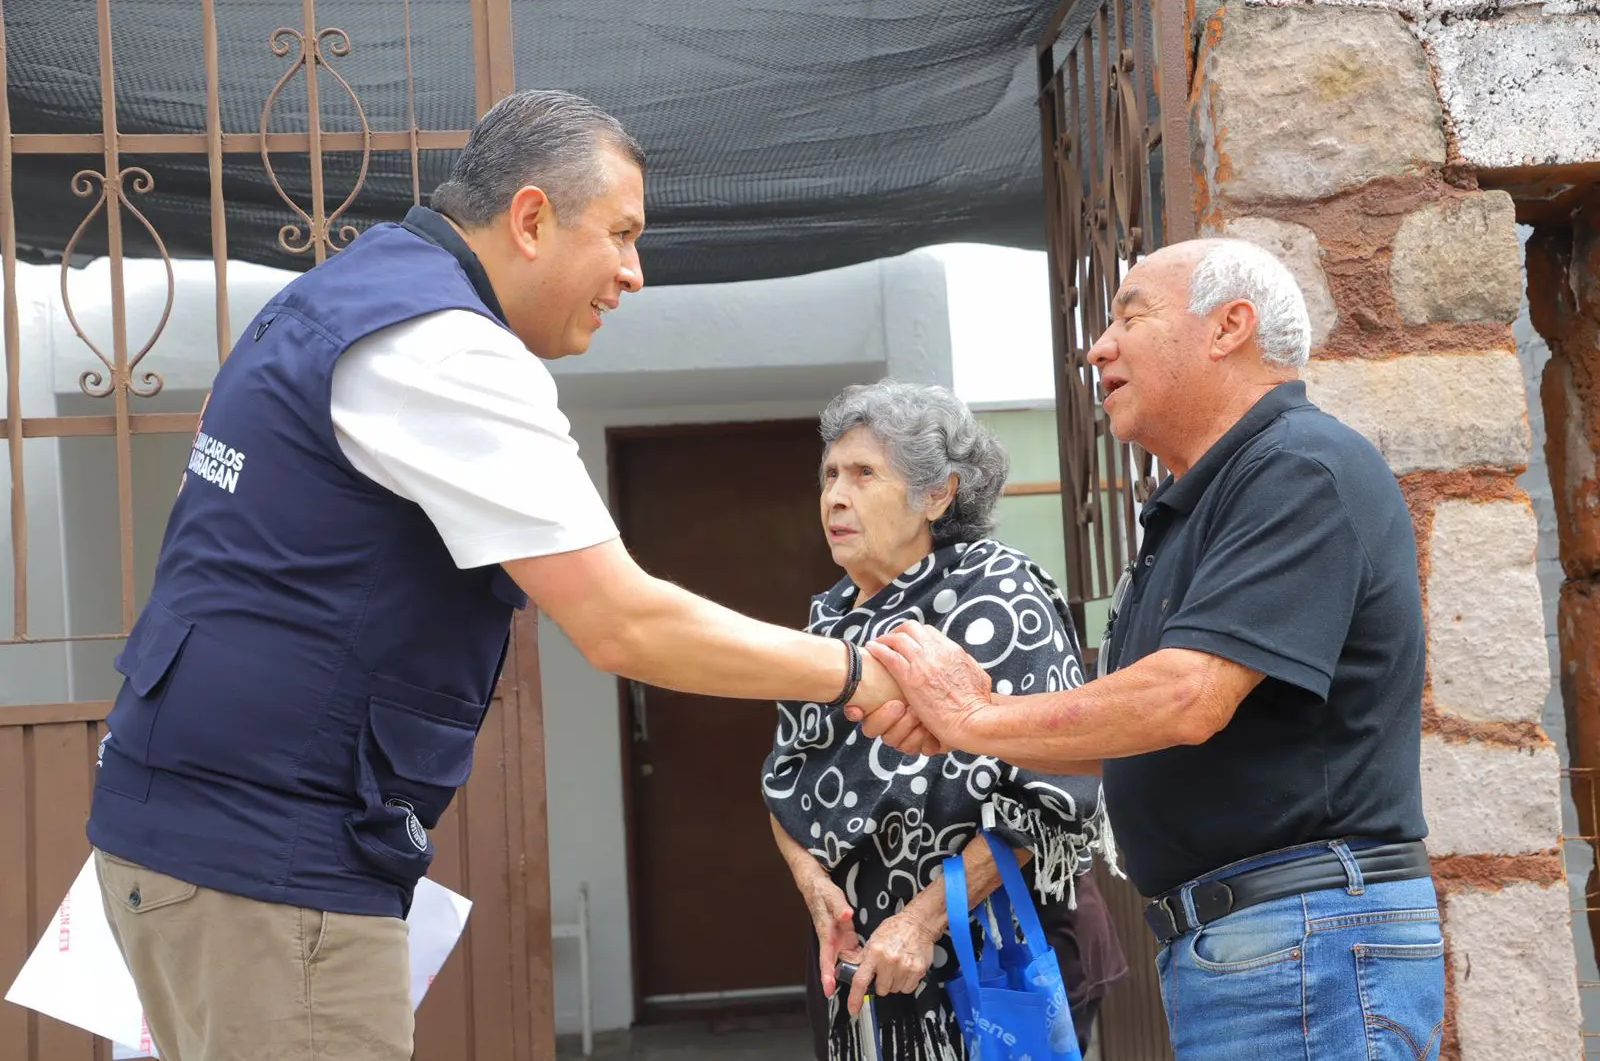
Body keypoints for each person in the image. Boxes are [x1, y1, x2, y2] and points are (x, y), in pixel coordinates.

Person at [85, 90, 904, 1061]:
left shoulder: (340, 296)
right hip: (267, 865)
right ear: (530, 219)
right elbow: (621, 621)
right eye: (621, 234)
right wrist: (859, 674)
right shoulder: (446, 348)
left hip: (185, 833)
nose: (635, 273)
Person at [855, 239, 1444, 1059]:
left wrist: (972, 716)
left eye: (1130, 317)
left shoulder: (1299, 467)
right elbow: (1134, 734)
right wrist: (971, 724)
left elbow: (1185, 697)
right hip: (1260, 945)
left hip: (1300, 942)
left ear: (1230, 327)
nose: (1097, 348)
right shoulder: (1207, 498)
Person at [764, 380, 1125, 1061]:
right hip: (861, 960)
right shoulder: (828, 620)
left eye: (863, 474)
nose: (835, 495)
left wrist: (920, 922)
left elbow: (1055, 786)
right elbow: (785, 781)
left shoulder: (999, 592)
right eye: (830, 474)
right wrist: (817, 892)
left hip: (997, 947)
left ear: (937, 494)